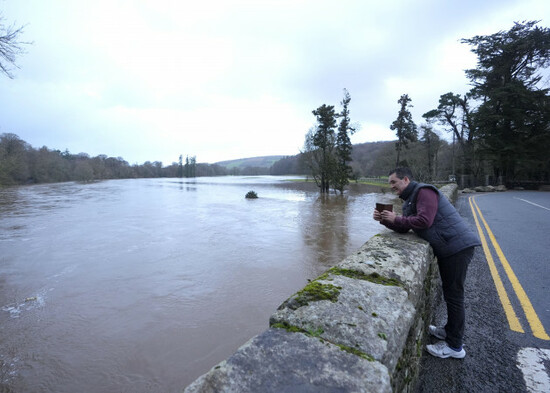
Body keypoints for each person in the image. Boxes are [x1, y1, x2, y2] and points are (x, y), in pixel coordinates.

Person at [373, 167, 480, 359]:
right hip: (450, 247)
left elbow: (424, 221)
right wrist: (386, 220)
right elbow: (406, 227)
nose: (391, 187)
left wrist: (396, 217)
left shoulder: (424, 191)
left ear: (405, 179)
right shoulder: (410, 200)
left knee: (455, 297)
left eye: (393, 182)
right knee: (451, 295)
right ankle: (449, 331)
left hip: (456, 246)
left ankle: (455, 347)